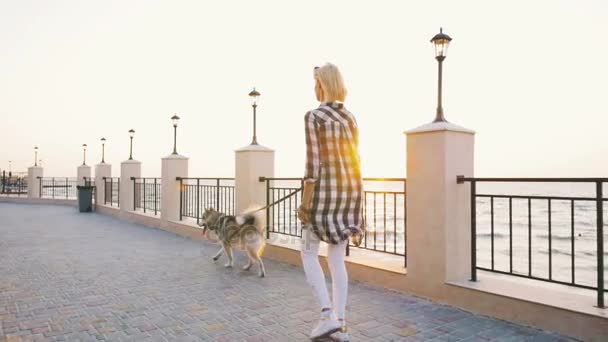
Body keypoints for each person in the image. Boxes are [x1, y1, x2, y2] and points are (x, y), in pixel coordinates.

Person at [297, 63, 363, 342]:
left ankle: (326, 316)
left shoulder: (314, 117)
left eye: (315, 82)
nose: (314, 87)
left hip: (323, 196)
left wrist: (304, 203)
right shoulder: (350, 118)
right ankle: (341, 324)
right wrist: (360, 213)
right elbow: (356, 161)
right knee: (337, 260)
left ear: (321, 84)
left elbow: (313, 166)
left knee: (308, 252)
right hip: (349, 195)